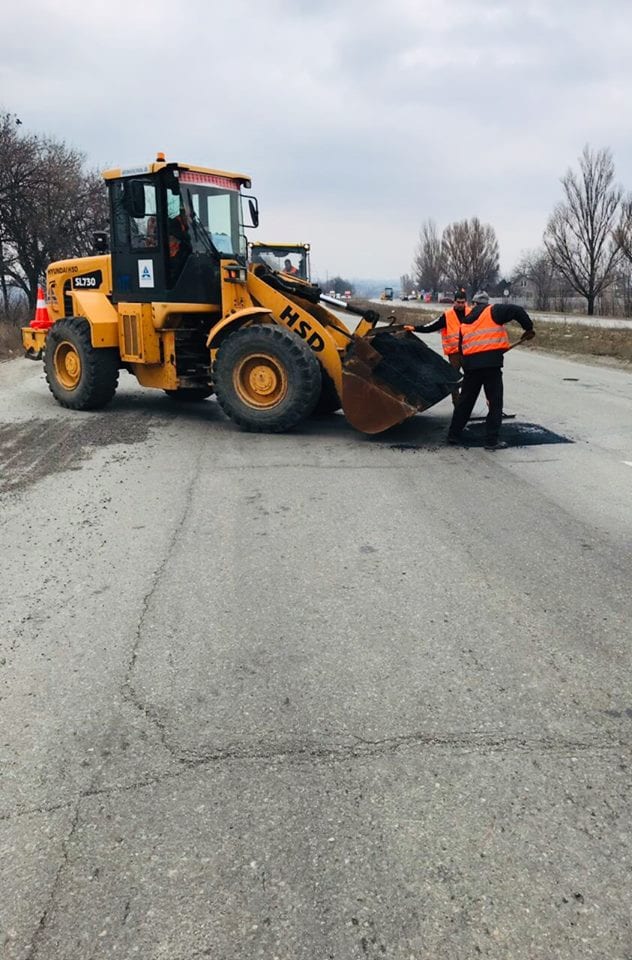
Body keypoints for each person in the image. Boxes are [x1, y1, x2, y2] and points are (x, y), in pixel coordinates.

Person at [446, 290, 535, 450]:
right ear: (486, 303)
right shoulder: (493, 311)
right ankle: (491, 441)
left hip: (471, 366)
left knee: (465, 402)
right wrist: (528, 328)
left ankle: (453, 435)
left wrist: (466, 367)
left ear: (473, 304)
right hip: (491, 365)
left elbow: (461, 349)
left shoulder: (465, 322)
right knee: (495, 403)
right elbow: (517, 311)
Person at [404, 287, 470, 406]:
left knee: (471, 378)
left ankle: (466, 402)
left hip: (469, 352)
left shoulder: (471, 313)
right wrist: (415, 328)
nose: (460, 305)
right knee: (453, 378)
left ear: (465, 302)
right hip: (454, 353)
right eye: (458, 302)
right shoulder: (447, 316)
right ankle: (457, 402)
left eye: (462, 302)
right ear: (454, 302)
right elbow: (431, 326)